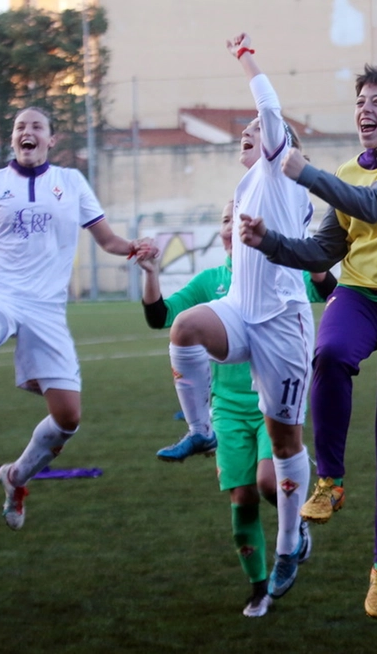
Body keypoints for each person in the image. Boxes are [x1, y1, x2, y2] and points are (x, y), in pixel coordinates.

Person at [239, 63, 377, 620]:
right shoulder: (345, 170)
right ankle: (331, 481)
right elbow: (323, 252)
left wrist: (301, 171)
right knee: (332, 353)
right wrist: (271, 241)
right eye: (360, 101)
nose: (365, 109)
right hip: (361, 294)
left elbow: (376, 205)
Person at [0, 108, 156, 529]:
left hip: (47, 308)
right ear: (12, 138)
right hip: (0, 292)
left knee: (68, 418)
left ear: (52, 140)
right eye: (20, 126)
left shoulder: (71, 183)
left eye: (37, 127)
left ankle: (15, 478)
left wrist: (135, 248)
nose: (27, 132)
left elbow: (107, 239)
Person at [161, 34, 315, 602]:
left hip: (283, 325)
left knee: (283, 440)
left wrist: (247, 58)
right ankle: (199, 428)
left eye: (255, 132)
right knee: (184, 329)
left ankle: (290, 543)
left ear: (278, 144)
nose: (248, 134)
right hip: (241, 312)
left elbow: (269, 110)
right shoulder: (251, 180)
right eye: (246, 133)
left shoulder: (278, 170)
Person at [139, 200, 334, 617]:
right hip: (224, 410)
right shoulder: (211, 281)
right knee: (241, 498)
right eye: (227, 219)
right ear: (224, 233)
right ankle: (258, 587)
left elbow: (325, 288)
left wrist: (310, 251)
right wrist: (151, 274)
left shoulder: (282, 270)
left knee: (268, 483)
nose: (232, 225)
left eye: (239, 217)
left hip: (270, 401)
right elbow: (161, 318)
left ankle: (293, 527)